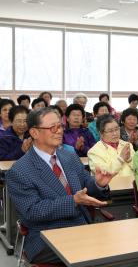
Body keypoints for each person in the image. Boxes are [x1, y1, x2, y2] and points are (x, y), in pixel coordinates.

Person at [6, 107, 116, 265]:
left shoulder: (69, 156)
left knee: (116, 247)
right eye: (53, 127)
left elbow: (85, 183)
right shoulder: (19, 171)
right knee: (100, 253)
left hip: (81, 227)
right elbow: (31, 212)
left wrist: (98, 183)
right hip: (46, 237)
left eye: (60, 126)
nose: (59, 131)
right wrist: (73, 201)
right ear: (34, 133)